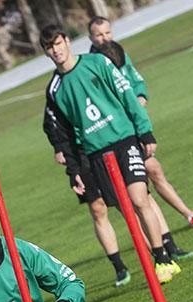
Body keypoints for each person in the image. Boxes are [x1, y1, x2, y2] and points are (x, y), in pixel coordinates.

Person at [41, 23, 181, 284]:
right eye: (49, 47)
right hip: (96, 154)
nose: (55, 50)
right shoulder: (54, 90)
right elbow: (65, 136)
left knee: (139, 199)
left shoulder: (98, 63)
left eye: (58, 44)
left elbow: (126, 95)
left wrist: (145, 131)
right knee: (126, 209)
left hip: (124, 140)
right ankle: (157, 256)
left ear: (68, 42)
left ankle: (163, 257)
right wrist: (74, 172)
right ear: (46, 52)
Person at [88, 16, 193, 228]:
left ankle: (183, 220)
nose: (104, 38)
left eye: (107, 33)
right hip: (118, 133)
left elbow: (135, 81)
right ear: (90, 37)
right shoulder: (92, 65)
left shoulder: (118, 53)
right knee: (145, 182)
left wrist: (140, 96)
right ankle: (166, 236)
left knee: (153, 173)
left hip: (133, 128)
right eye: (99, 35)